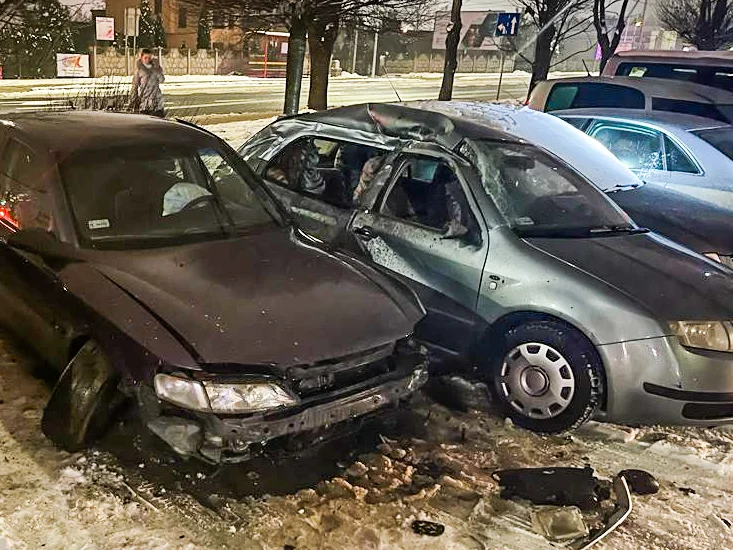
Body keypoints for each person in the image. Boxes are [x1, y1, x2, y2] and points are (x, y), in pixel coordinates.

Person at [129, 49, 166, 117]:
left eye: (149, 58)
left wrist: (156, 69)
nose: (147, 60)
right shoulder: (139, 70)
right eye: (145, 58)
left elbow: (162, 80)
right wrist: (133, 100)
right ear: (142, 58)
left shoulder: (156, 67)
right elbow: (135, 86)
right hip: (145, 100)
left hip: (157, 100)